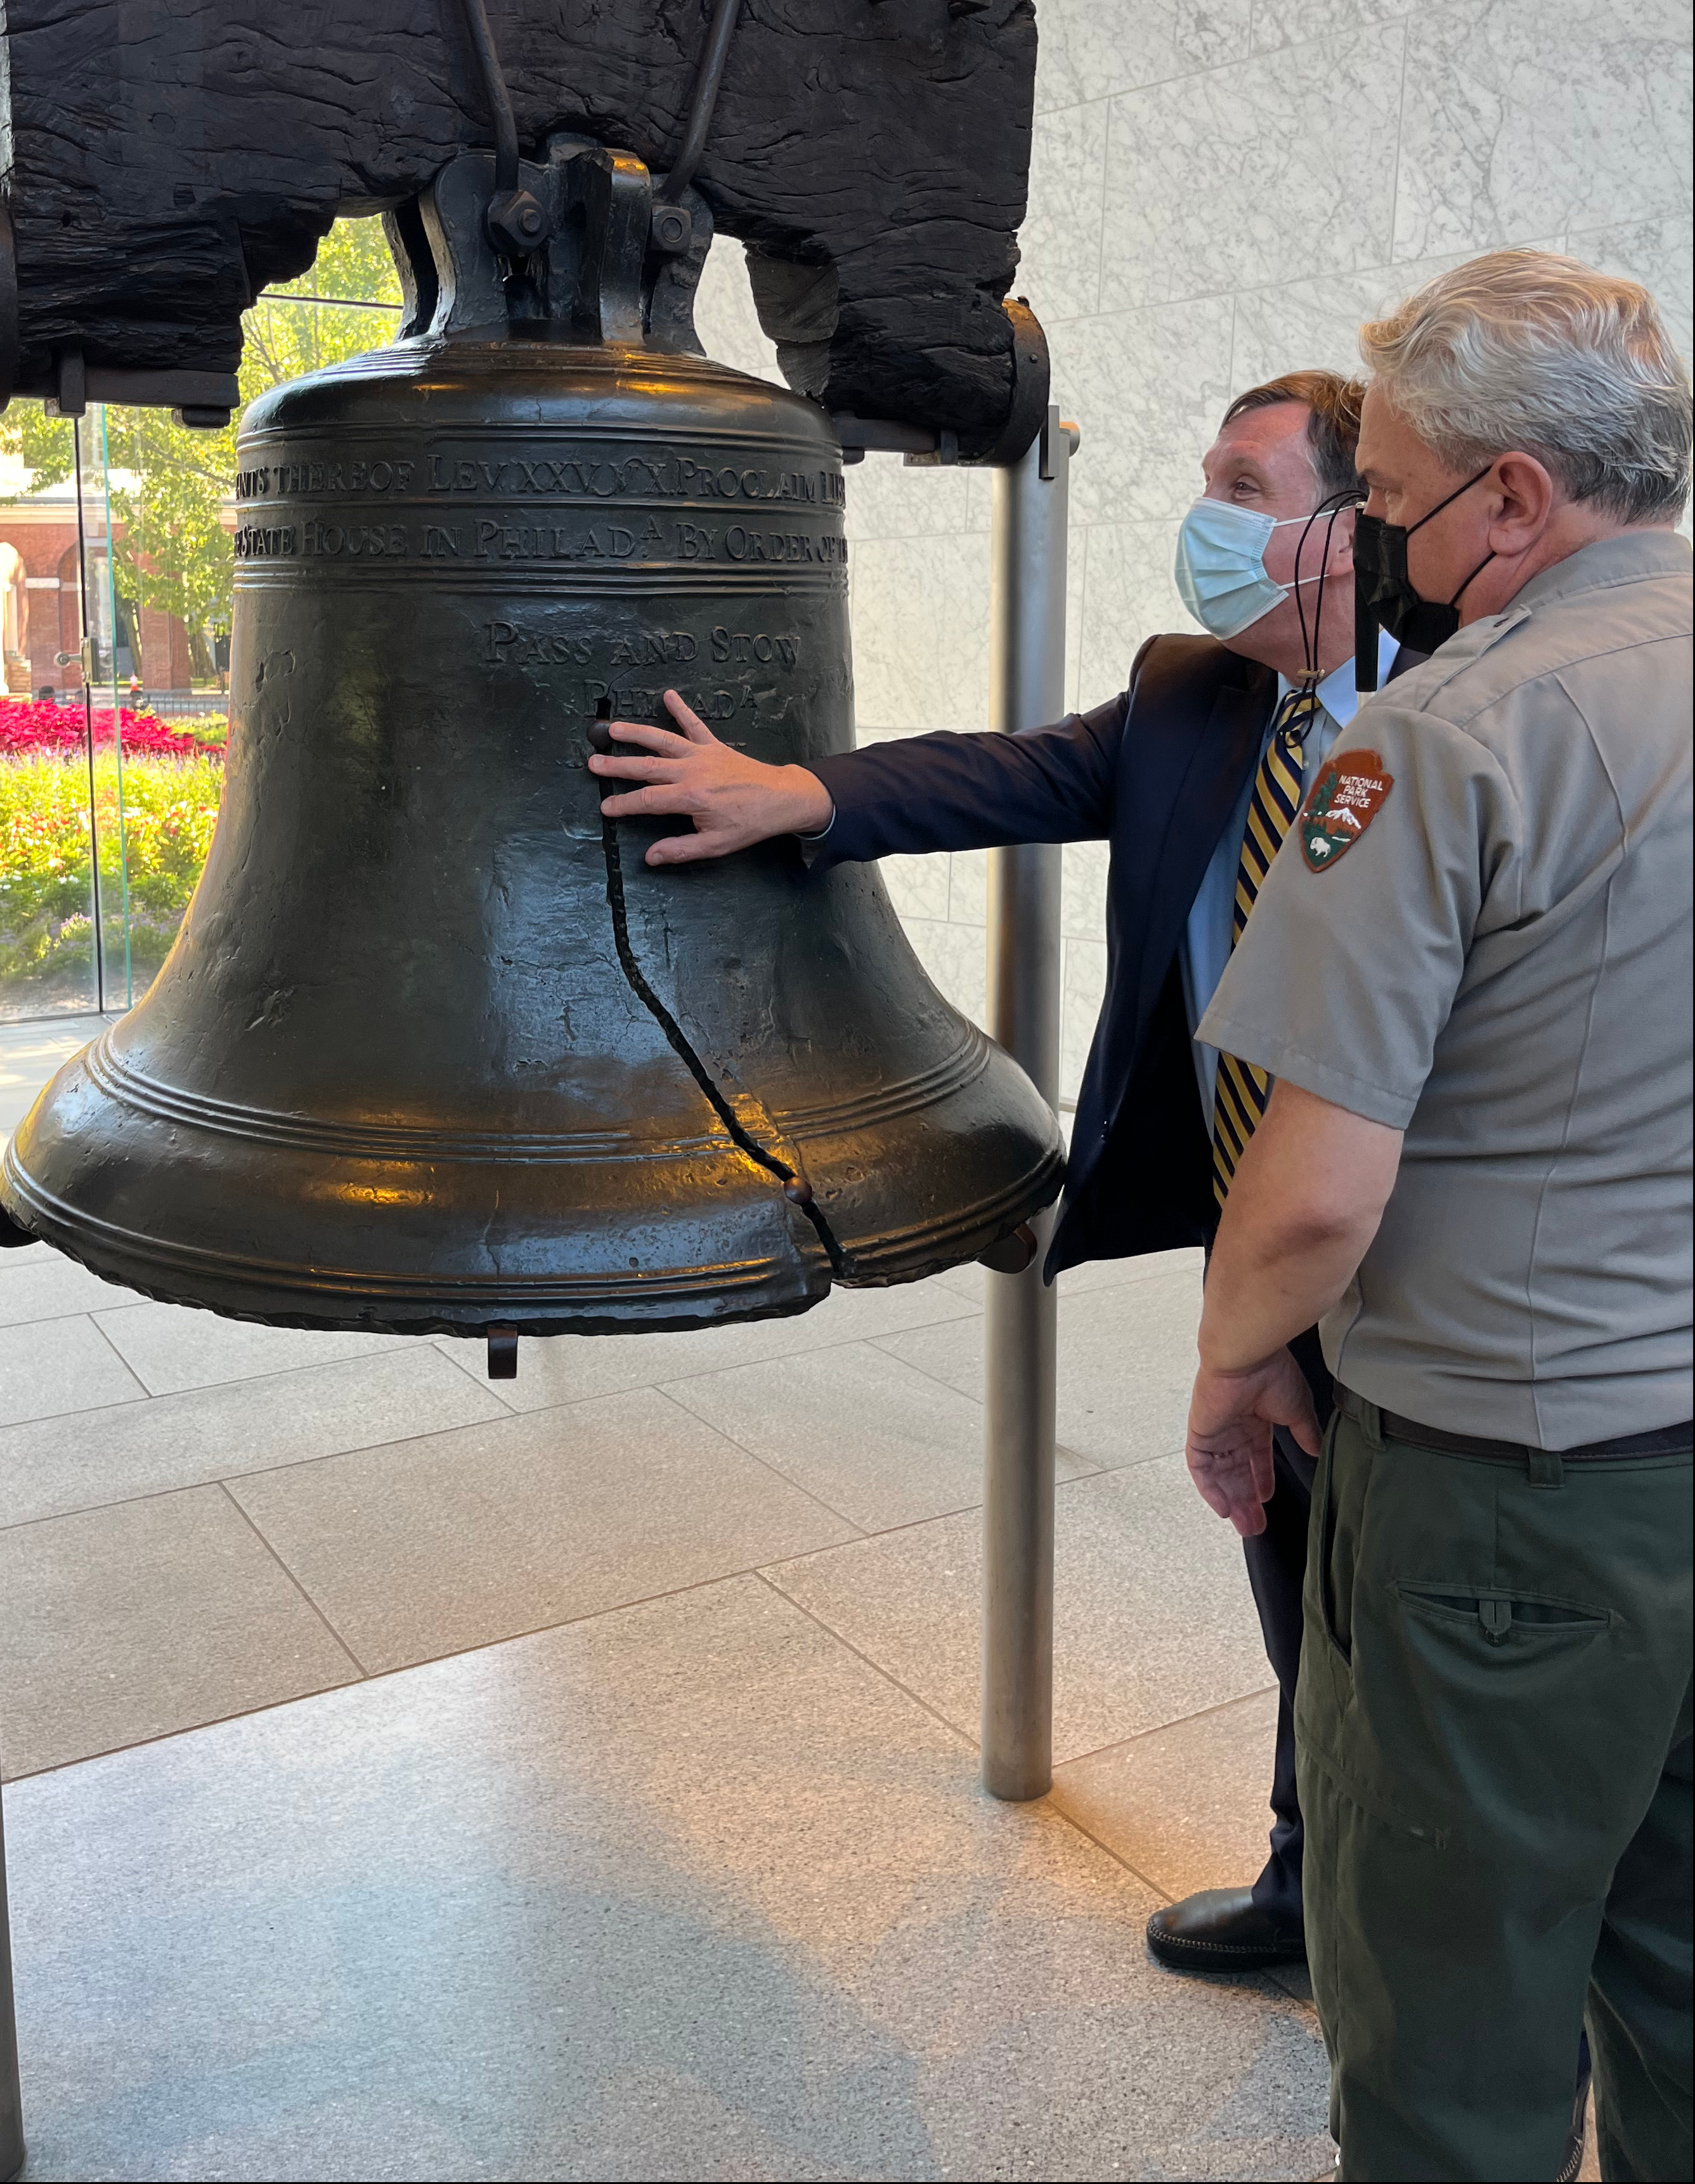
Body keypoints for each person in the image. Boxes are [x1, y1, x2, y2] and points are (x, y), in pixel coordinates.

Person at [590, 367, 1394, 1974]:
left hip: (1416, 1246)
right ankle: (1312, 1883)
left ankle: (1452, 1945)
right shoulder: (1195, 692)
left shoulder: (1460, 712)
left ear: (1351, 526)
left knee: (1416, 1607)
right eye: (1205, 477)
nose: (1206, 518)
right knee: (1290, 1557)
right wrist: (800, 793)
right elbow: (1015, 770)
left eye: (1244, 487)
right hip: (1256, 1227)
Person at [1188, 252, 1692, 2181]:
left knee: (1447, 2035)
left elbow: (1311, 1194)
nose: (1371, 542)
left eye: (1386, 501)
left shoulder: (1436, 736)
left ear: (1513, 498)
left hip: (1508, 1490)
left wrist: (1232, 1374)